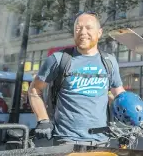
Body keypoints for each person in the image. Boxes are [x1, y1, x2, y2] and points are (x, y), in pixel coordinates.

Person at [28, 12, 125, 146]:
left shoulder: (109, 61)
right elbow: (34, 90)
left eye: (88, 28)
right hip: (66, 141)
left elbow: (119, 94)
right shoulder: (59, 59)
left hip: (102, 141)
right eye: (78, 28)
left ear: (99, 32)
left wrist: (133, 114)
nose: (82, 32)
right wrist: (43, 120)